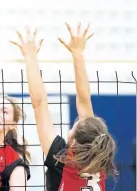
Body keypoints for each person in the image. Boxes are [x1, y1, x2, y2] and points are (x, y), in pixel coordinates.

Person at [10, 23, 118, 191]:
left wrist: (30, 57)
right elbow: (82, 101)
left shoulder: (61, 158)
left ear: (73, 143)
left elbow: (40, 104)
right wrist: (77, 54)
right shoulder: (99, 158)